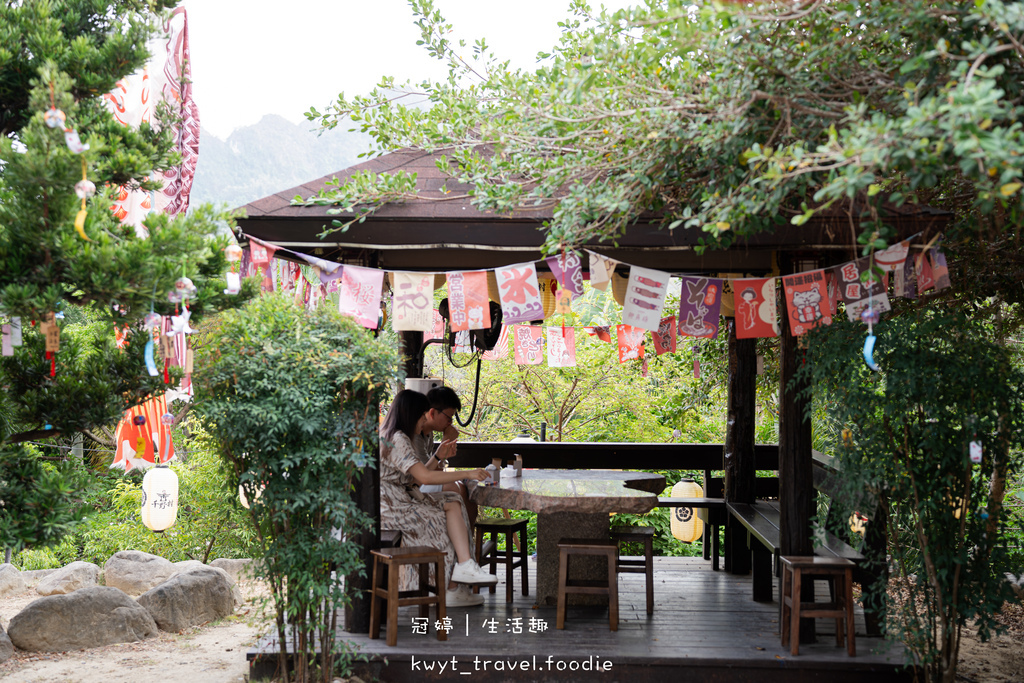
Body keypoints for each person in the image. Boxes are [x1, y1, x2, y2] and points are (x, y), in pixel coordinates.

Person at [379, 389, 496, 607]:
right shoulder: (398, 439)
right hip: (393, 508)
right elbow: (423, 476)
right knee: (443, 521)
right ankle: (449, 588)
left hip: (400, 500)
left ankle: (465, 567)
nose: (424, 421)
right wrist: (468, 473)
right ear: (412, 414)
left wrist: (438, 456)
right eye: (422, 416)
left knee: (452, 500)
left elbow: (416, 479)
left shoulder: (394, 435)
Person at [414, 386, 478, 526]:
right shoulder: (415, 436)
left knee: (468, 494)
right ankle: (463, 538)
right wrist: (445, 442)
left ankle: (468, 539)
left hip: (422, 482)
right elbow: (428, 475)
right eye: (448, 418)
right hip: (412, 486)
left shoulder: (428, 433)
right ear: (432, 413)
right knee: (456, 488)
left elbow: (436, 470)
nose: (451, 423)